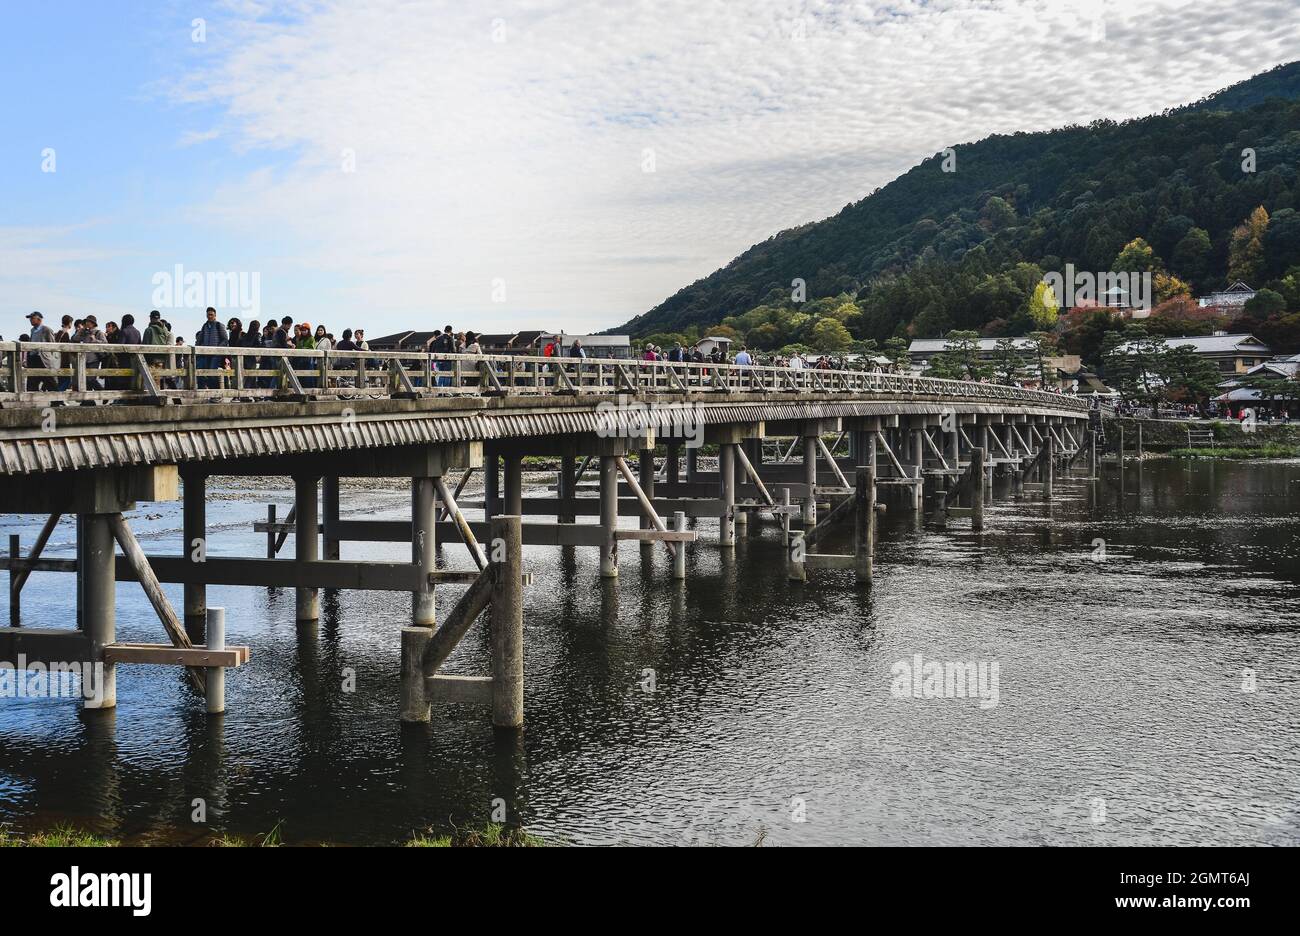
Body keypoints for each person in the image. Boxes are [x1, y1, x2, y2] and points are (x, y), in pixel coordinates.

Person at [22, 311, 58, 390]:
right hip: (33, 358)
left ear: (39, 319)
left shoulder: (46, 329)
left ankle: (57, 401)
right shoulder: (32, 330)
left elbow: (52, 344)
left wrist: (50, 357)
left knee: (50, 380)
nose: (31, 320)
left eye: (33, 318)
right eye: (30, 319)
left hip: (42, 358)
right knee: (32, 382)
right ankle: (32, 401)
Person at [195, 307, 227, 389]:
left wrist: (217, 349)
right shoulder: (205, 326)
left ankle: (216, 393)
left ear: (215, 315)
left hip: (216, 354)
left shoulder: (219, 325)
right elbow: (200, 340)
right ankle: (212, 393)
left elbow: (225, 339)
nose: (210, 316)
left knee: (213, 373)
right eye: (208, 314)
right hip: (206, 354)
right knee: (207, 374)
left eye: (211, 315)